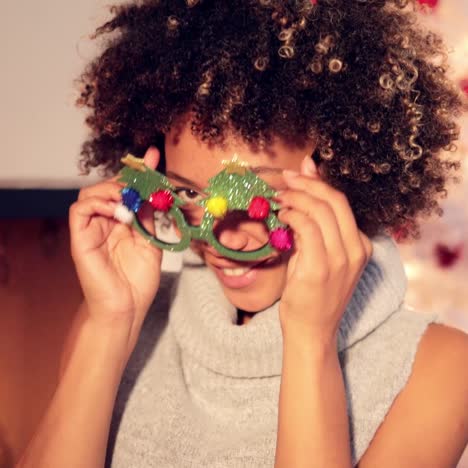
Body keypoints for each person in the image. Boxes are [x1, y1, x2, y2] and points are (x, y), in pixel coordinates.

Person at [17, 1, 468, 467]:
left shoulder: (436, 369)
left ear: (345, 176)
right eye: (190, 195)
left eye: (256, 199)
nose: (226, 241)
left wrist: (310, 342)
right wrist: (110, 325)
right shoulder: (119, 320)